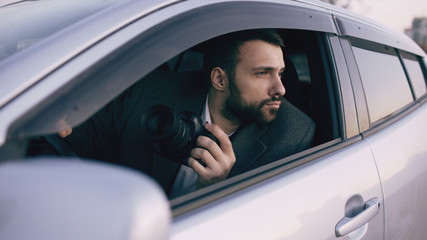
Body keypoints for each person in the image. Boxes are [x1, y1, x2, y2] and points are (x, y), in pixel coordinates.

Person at [62, 29, 315, 198]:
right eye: (262, 73)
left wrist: (217, 191)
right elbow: (95, 141)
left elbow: (270, 225)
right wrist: (64, 125)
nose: (281, 88)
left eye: (280, 73)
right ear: (219, 79)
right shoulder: (152, 92)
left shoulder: (293, 136)